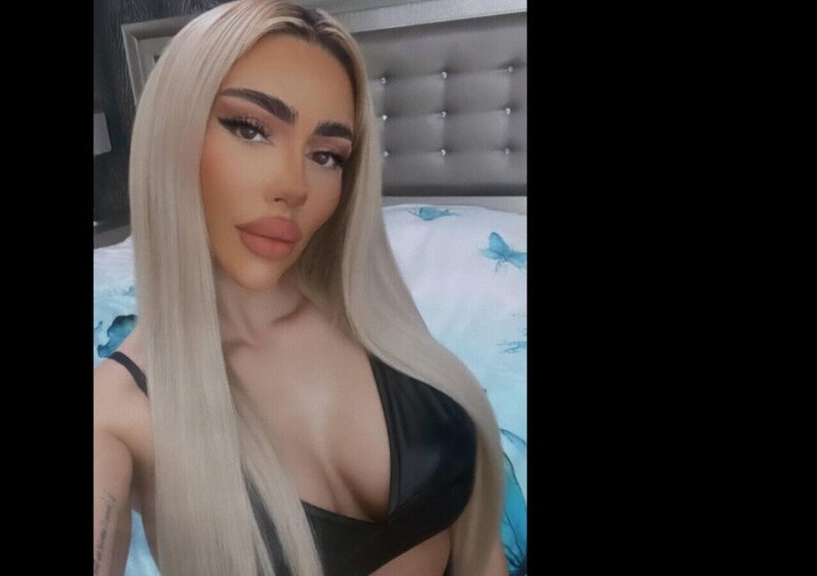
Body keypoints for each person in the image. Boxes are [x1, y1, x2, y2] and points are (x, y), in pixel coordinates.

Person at [93, 1, 508, 574]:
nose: (294, 186)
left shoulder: (375, 318)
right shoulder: (117, 414)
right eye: (250, 129)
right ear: (171, 134)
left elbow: (480, 551)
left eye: (326, 155)